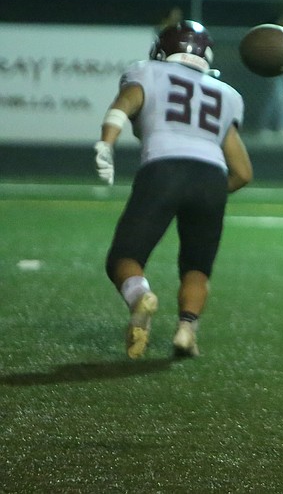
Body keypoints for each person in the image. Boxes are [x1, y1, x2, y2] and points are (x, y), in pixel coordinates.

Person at [93, 20, 252, 359]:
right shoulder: (227, 95)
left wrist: (106, 143)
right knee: (197, 266)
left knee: (124, 258)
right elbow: (243, 173)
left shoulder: (147, 72)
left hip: (164, 168)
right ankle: (186, 330)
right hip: (212, 175)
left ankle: (140, 298)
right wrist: (206, 196)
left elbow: (124, 106)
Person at [257, 12, 283, 141]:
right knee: (281, 99)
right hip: (273, 71)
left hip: (279, 72)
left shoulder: (281, 37)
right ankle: (279, 126)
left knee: (275, 99)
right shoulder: (272, 37)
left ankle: (269, 127)